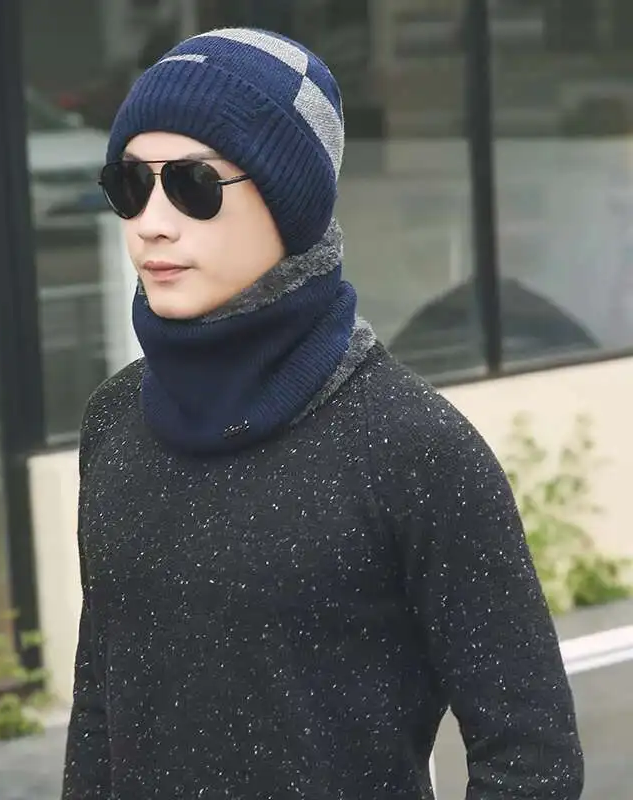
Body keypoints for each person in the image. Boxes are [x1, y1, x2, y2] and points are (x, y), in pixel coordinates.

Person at [61, 27, 584, 800]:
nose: (153, 221)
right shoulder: (114, 421)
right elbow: (100, 706)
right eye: (130, 184)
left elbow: (532, 757)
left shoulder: (412, 446)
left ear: (292, 201)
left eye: (194, 185)